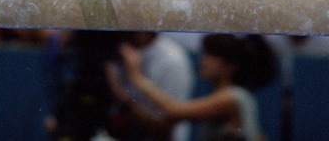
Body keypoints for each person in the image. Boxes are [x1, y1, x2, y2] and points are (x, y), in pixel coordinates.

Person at [107, 34, 277, 141]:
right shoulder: (232, 96)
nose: (203, 60)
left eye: (211, 56)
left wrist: (137, 77)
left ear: (229, 67)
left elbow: (173, 111)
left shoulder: (232, 97)